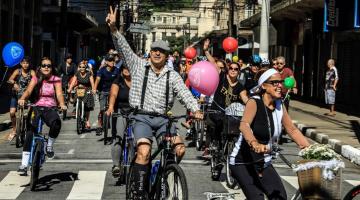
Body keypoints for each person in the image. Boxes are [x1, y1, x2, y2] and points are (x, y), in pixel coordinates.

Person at [107, 6, 202, 198]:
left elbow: (185, 93)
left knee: (180, 148)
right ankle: (140, 191)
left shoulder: (172, 75)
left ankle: (165, 171)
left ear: (167, 56)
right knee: (144, 151)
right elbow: (123, 48)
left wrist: (195, 109)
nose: (157, 53)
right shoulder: (138, 65)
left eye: (161, 51)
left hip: (163, 120)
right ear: (150, 53)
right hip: (141, 117)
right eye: (154, 50)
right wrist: (114, 29)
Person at [230, 68, 310, 200]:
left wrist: (312, 150)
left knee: (280, 197)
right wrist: (254, 143)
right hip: (243, 163)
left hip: (263, 162)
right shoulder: (254, 102)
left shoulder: (279, 105)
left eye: (281, 82)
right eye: (275, 82)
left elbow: (292, 130)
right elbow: (244, 125)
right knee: (257, 198)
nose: (280, 85)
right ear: (264, 86)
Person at [17, 57, 67, 172]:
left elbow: (59, 94)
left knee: (56, 123)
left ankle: (49, 145)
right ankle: (24, 164)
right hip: (36, 107)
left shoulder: (56, 79)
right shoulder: (36, 78)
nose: (46, 67)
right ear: (40, 67)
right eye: (44, 65)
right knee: (30, 132)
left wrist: (62, 104)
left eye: (48, 66)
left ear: (51, 67)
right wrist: (23, 98)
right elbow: (28, 91)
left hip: (50, 108)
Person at [106, 64, 132, 177]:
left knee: (137, 140)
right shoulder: (118, 81)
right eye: (124, 68)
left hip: (135, 112)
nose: (126, 70)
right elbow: (113, 95)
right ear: (121, 70)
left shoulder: (138, 82)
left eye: (129, 68)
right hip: (120, 111)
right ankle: (116, 165)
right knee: (118, 137)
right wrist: (111, 107)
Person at [7, 57, 36, 141]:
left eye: (27, 63)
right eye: (23, 63)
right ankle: (14, 130)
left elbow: (35, 79)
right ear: (20, 64)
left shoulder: (32, 72)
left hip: (28, 96)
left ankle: (28, 128)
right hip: (16, 95)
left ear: (29, 64)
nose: (25, 65)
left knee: (28, 115)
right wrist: (14, 83)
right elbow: (10, 79)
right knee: (12, 112)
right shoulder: (17, 71)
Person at [94, 53, 120, 135]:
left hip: (113, 93)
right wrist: (94, 88)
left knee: (115, 110)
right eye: (110, 60)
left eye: (113, 60)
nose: (112, 62)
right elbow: (97, 79)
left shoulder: (117, 70)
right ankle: (99, 125)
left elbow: (120, 80)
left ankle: (115, 128)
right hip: (103, 91)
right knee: (102, 109)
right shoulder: (102, 70)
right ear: (106, 62)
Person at [68, 62, 96, 129]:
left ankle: (87, 121)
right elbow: (73, 82)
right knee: (76, 98)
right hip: (79, 89)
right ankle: (77, 110)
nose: (81, 68)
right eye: (80, 67)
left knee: (87, 106)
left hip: (87, 89)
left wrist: (93, 89)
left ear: (85, 67)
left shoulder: (89, 73)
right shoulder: (77, 73)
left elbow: (92, 83)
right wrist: (69, 88)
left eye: (83, 67)